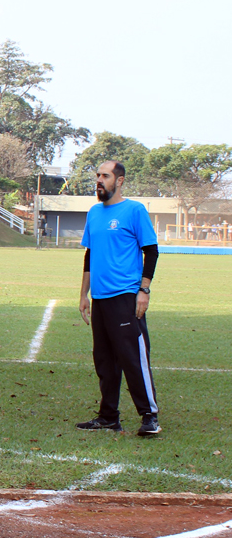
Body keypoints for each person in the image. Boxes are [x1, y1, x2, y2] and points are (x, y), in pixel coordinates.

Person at [77, 161, 161, 437]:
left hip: (125, 296)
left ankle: (149, 416)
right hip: (100, 299)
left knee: (133, 358)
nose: (99, 181)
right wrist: (83, 295)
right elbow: (90, 256)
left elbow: (152, 251)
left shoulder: (134, 210)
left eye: (105, 176)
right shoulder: (94, 213)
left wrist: (144, 290)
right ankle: (108, 417)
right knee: (104, 361)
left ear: (120, 180)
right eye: (97, 176)